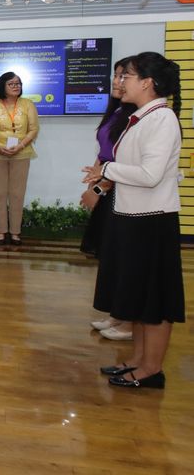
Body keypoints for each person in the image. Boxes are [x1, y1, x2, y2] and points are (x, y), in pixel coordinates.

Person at [83, 51, 185, 390]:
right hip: (131, 217)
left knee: (154, 301)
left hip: (151, 222)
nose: (120, 81)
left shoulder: (162, 119)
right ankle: (138, 360)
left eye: (126, 75)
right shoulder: (141, 117)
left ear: (147, 83)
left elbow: (151, 175)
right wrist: (106, 173)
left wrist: (107, 170)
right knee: (139, 298)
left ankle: (151, 369)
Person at [82, 57, 136, 341]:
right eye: (115, 75)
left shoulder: (136, 117)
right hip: (107, 188)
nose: (117, 81)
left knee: (125, 258)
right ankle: (117, 314)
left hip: (122, 192)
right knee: (111, 256)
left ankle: (129, 321)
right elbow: (104, 155)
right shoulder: (116, 112)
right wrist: (93, 183)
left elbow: (123, 161)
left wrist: (98, 189)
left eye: (123, 76)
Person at [0, 72, 39, 246]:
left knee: (17, 194)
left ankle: (15, 232)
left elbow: (34, 129)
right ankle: (1, 231)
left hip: (21, 154)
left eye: (18, 83)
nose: (16, 86)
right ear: (3, 86)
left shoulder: (27, 104)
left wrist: (20, 146)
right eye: (12, 84)